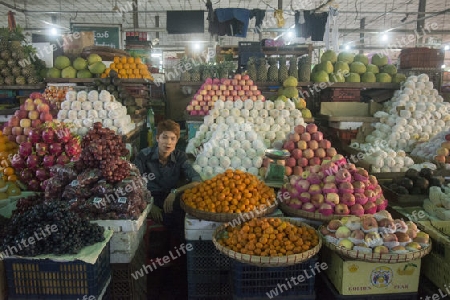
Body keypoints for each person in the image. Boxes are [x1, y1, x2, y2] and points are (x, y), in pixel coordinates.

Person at [134, 119, 202, 243]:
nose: (168, 142)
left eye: (173, 138)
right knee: (170, 219)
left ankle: (178, 256)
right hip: (148, 197)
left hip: (170, 197)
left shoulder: (180, 156)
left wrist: (175, 192)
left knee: (182, 216)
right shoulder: (144, 156)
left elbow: (197, 180)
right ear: (157, 138)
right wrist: (149, 205)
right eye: (164, 137)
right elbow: (134, 186)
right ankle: (164, 252)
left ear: (176, 141)